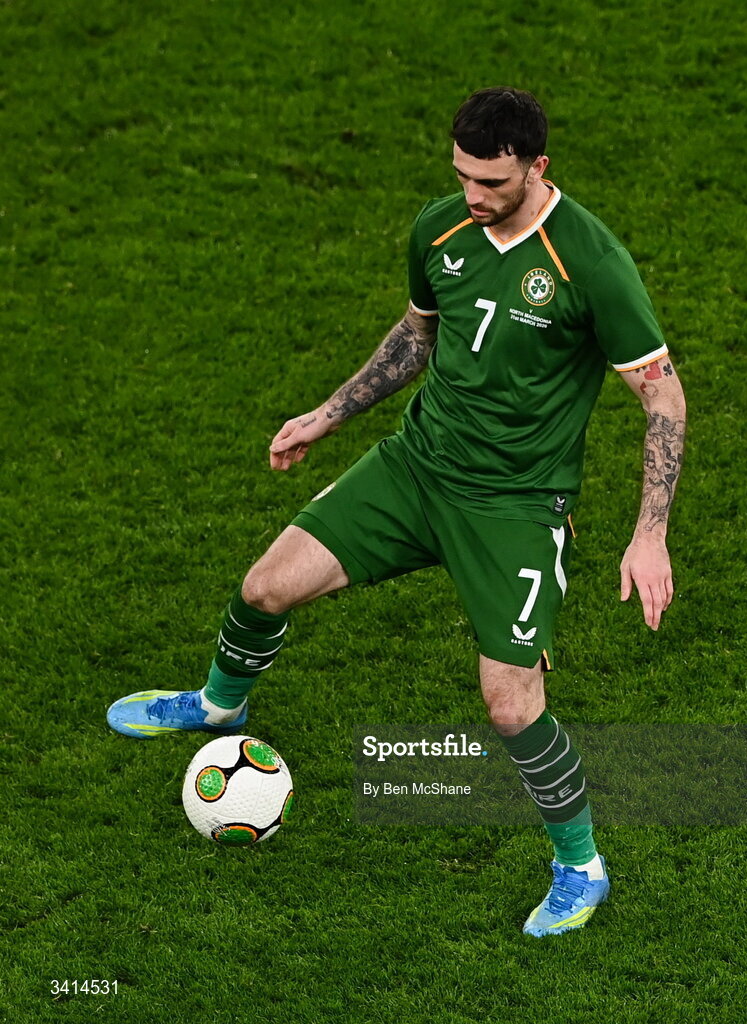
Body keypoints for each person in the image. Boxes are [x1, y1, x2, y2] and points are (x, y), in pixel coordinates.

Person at [107, 87, 686, 938]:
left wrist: (648, 534)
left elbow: (662, 398)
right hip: (416, 467)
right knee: (265, 586)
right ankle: (219, 704)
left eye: (490, 181)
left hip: (514, 505)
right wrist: (327, 414)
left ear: (537, 168)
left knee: (509, 702)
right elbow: (418, 333)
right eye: (459, 174)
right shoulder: (440, 228)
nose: (472, 194)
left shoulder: (590, 263)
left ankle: (580, 867)